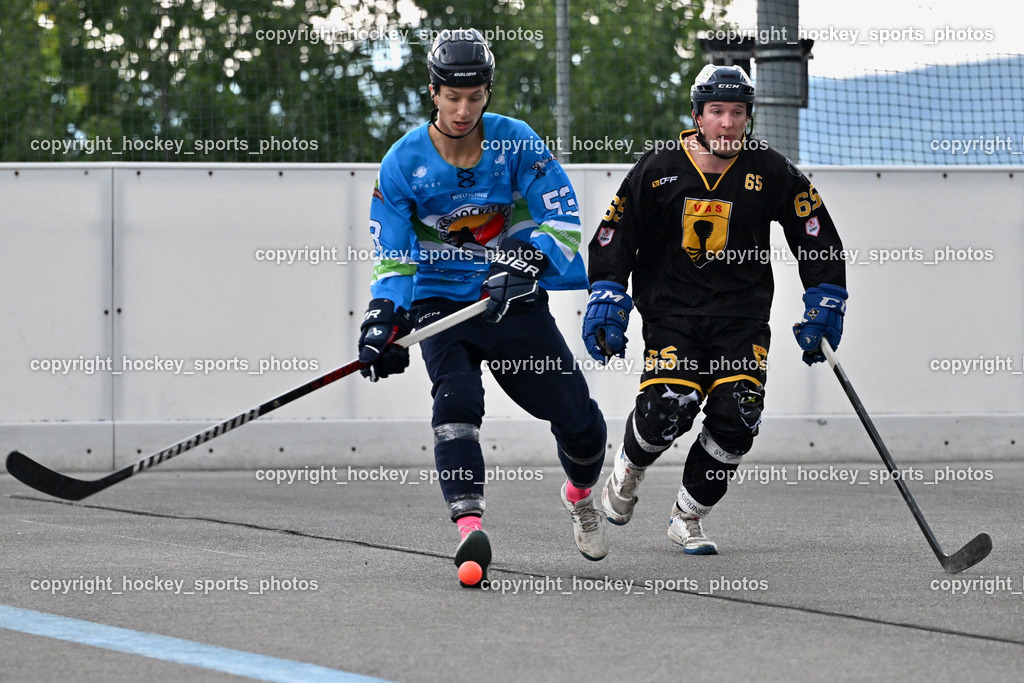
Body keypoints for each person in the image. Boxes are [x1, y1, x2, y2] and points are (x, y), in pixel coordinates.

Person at [358, 28, 610, 585]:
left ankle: (578, 493)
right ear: (433, 91)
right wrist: (383, 319)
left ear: (488, 93)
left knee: (583, 427)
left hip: (512, 301)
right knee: (456, 402)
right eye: (452, 96)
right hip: (441, 304)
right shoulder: (401, 164)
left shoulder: (516, 142)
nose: (464, 109)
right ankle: (469, 527)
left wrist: (523, 258)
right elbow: (395, 258)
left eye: (475, 97)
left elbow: (563, 221)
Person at [583, 64, 848, 554]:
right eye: (717, 111)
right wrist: (606, 291)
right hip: (672, 315)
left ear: (749, 117)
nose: (728, 123)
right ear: (697, 115)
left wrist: (826, 297)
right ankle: (629, 467)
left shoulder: (771, 170)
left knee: (739, 413)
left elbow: (814, 233)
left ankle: (688, 515)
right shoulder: (657, 168)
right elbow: (615, 233)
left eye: (738, 112)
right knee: (669, 407)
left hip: (741, 318)